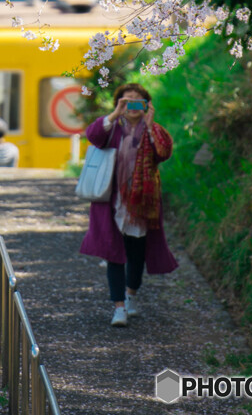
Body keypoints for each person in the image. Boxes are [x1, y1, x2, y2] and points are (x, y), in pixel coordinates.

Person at [79, 82, 178, 327]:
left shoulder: (153, 131)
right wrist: (113, 115)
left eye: (137, 101)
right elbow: (92, 135)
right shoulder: (111, 129)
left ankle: (131, 294)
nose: (131, 105)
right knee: (114, 254)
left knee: (136, 254)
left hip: (143, 203)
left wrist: (151, 124)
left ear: (146, 105)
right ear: (118, 104)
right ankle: (119, 308)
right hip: (111, 201)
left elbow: (163, 152)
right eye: (126, 100)